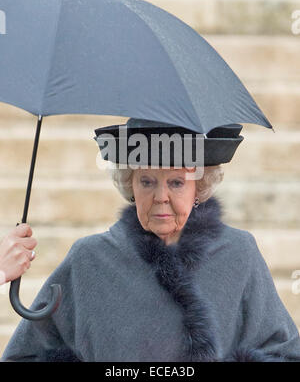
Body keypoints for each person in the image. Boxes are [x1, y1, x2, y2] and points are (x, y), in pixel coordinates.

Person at [2, 118, 300, 362]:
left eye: (176, 182)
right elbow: (26, 356)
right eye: (147, 181)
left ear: (200, 186)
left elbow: (284, 353)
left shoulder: (238, 253)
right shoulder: (88, 259)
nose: (160, 197)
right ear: (129, 184)